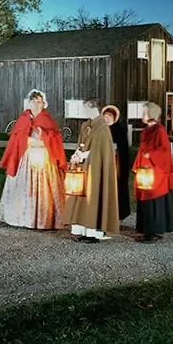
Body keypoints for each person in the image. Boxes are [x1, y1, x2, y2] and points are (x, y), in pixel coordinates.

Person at [0, 89, 67, 229]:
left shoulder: (48, 120)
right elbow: (16, 138)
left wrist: (43, 136)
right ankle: (21, 218)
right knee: (24, 185)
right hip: (26, 157)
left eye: (38, 101)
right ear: (29, 103)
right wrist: (26, 134)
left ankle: (44, 218)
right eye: (33, 101)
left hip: (44, 158)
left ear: (43, 104)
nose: (35, 104)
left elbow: (55, 140)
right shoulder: (23, 118)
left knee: (44, 187)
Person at [65, 98, 121, 242]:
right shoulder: (86, 125)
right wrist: (77, 154)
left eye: (86, 108)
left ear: (94, 109)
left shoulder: (103, 128)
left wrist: (83, 155)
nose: (84, 111)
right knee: (82, 199)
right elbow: (82, 144)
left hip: (96, 169)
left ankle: (93, 233)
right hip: (84, 167)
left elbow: (101, 151)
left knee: (94, 198)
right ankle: (82, 230)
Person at [134, 102, 173, 242]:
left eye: (144, 113)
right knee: (145, 200)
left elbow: (164, 150)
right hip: (145, 170)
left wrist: (150, 155)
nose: (142, 115)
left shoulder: (159, 130)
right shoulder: (147, 130)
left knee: (153, 200)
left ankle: (154, 231)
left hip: (156, 172)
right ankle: (145, 228)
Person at [102, 105, 131, 220]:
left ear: (114, 118)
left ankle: (118, 212)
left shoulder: (119, 130)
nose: (107, 119)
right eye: (105, 117)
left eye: (109, 117)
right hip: (104, 162)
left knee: (117, 187)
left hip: (116, 163)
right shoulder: (101, 130)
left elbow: (123, 149)